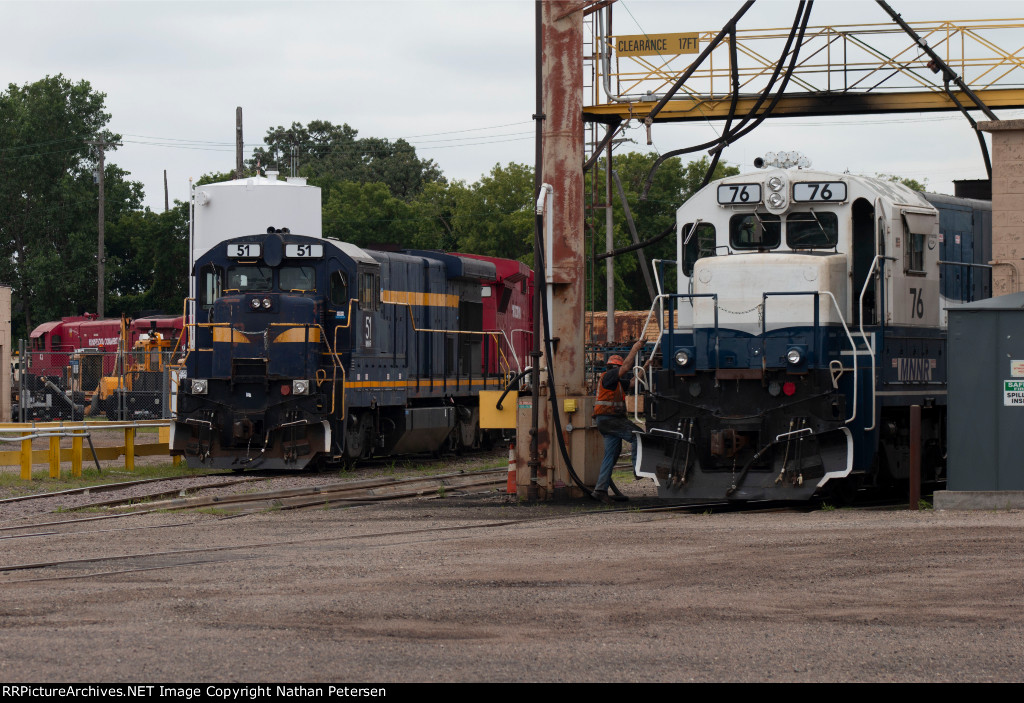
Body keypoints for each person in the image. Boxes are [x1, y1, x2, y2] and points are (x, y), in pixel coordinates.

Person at [592, 338, 645, 504]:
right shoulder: (609, 377)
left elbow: (631, 383)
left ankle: (600, 490)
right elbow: (627, 367)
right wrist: (635, 348)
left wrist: (646, 367)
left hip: (607, 422)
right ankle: (638, 469)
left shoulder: (616, 382)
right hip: (610, 419)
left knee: (611, 456)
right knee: (638, 435)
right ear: (614, 367)